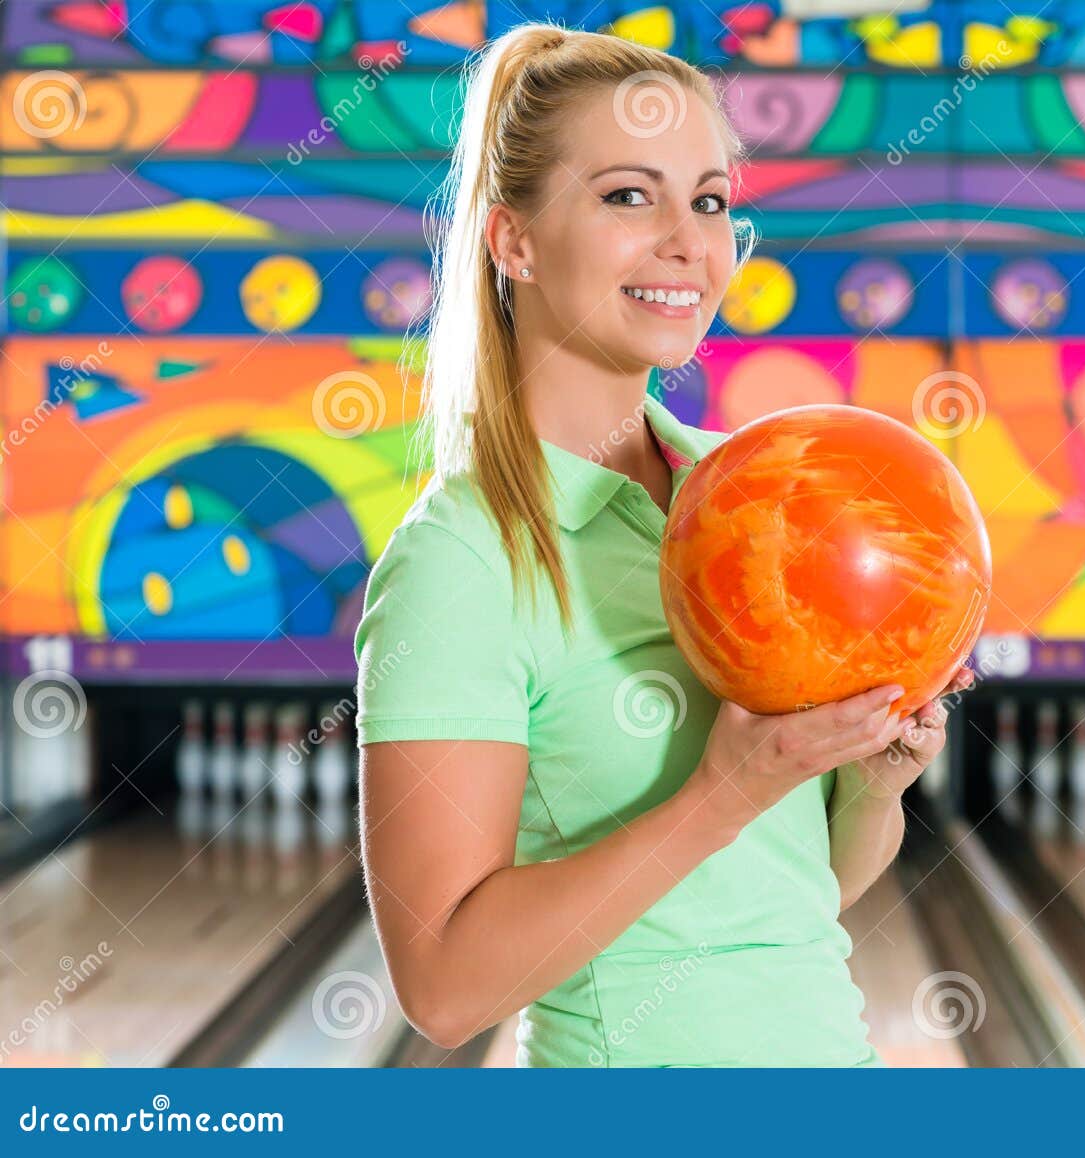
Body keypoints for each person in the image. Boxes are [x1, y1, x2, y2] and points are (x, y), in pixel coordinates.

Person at [353, 21, 973, 1068]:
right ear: (513, 240)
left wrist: (871, 780)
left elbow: (783, 895)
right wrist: (723, 791)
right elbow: (446, 989)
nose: (690, 240)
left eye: (712, 199)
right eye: (629, 196)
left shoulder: (760, 505)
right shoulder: (461, 561)